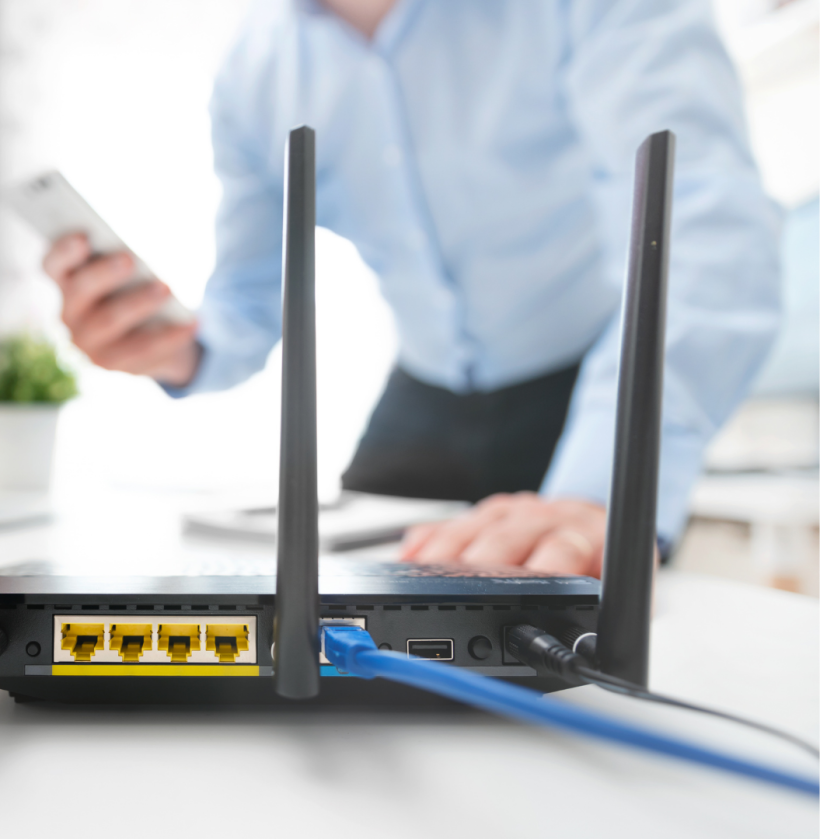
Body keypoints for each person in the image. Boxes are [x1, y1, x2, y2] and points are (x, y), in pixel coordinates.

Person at [43, 0, 780, 578]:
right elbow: (243, 308)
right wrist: (169, 345)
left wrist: (598, 493)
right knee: (342, 616)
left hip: (591, 386)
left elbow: (705, 226)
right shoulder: (252, 72)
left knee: (592, 625)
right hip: (424, 393)